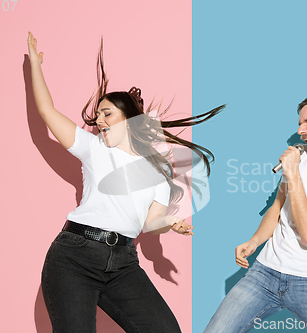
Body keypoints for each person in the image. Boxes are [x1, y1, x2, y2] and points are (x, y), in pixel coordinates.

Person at [27, 32, 223, 333]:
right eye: (98, 115)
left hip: (123, 264)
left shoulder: (158, 172)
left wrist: (171, 222)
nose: (100, 120)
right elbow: (47, 112)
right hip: (75, 256)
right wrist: (36, 67)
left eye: (108, 113)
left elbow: (151, 222)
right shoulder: (95, 150)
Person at [204, 95, 307, 333]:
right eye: (299, 123)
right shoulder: (302, 158)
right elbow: (277, 207)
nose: (300, 130)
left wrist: (293, 173)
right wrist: (255, 241)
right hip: (263, 274)